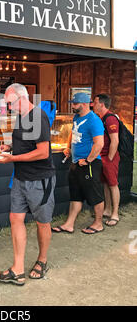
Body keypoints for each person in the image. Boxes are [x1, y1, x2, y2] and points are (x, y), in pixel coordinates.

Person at [0, 83, 56, 286]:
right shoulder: (21, 117)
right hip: (20, 179)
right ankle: (17, 269)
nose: (9, 108)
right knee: (15, 218)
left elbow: (43, 152)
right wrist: (9, 147)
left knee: (42, 222)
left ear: (22, 98)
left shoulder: (39, 117)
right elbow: (25, 141)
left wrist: (12, 159)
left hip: (40, 179)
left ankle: (42, 260)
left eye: (10, 103)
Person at [52, 92, 105, 235]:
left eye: (75, 104)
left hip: (89, 164)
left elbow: (99, 144)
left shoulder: (94, 120)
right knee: (76, 195)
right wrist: (69, 147)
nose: (72, 106)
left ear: (84, 104)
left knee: (95, 194)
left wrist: (88, 160)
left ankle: (98, 223)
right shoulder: (76, 117)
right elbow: (72, 133)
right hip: (76, 163)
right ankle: (69, 224)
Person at [92, 94, 120, 226]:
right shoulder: (100, 118)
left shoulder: (110, 119)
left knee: (113, 184)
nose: (93, 104)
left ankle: (115, 213)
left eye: (95, 102)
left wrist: (109, 158)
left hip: (109, 157)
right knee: (105, 184)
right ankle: (107, 210)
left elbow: (115, 140)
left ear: (101, 104)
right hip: (101, 156)